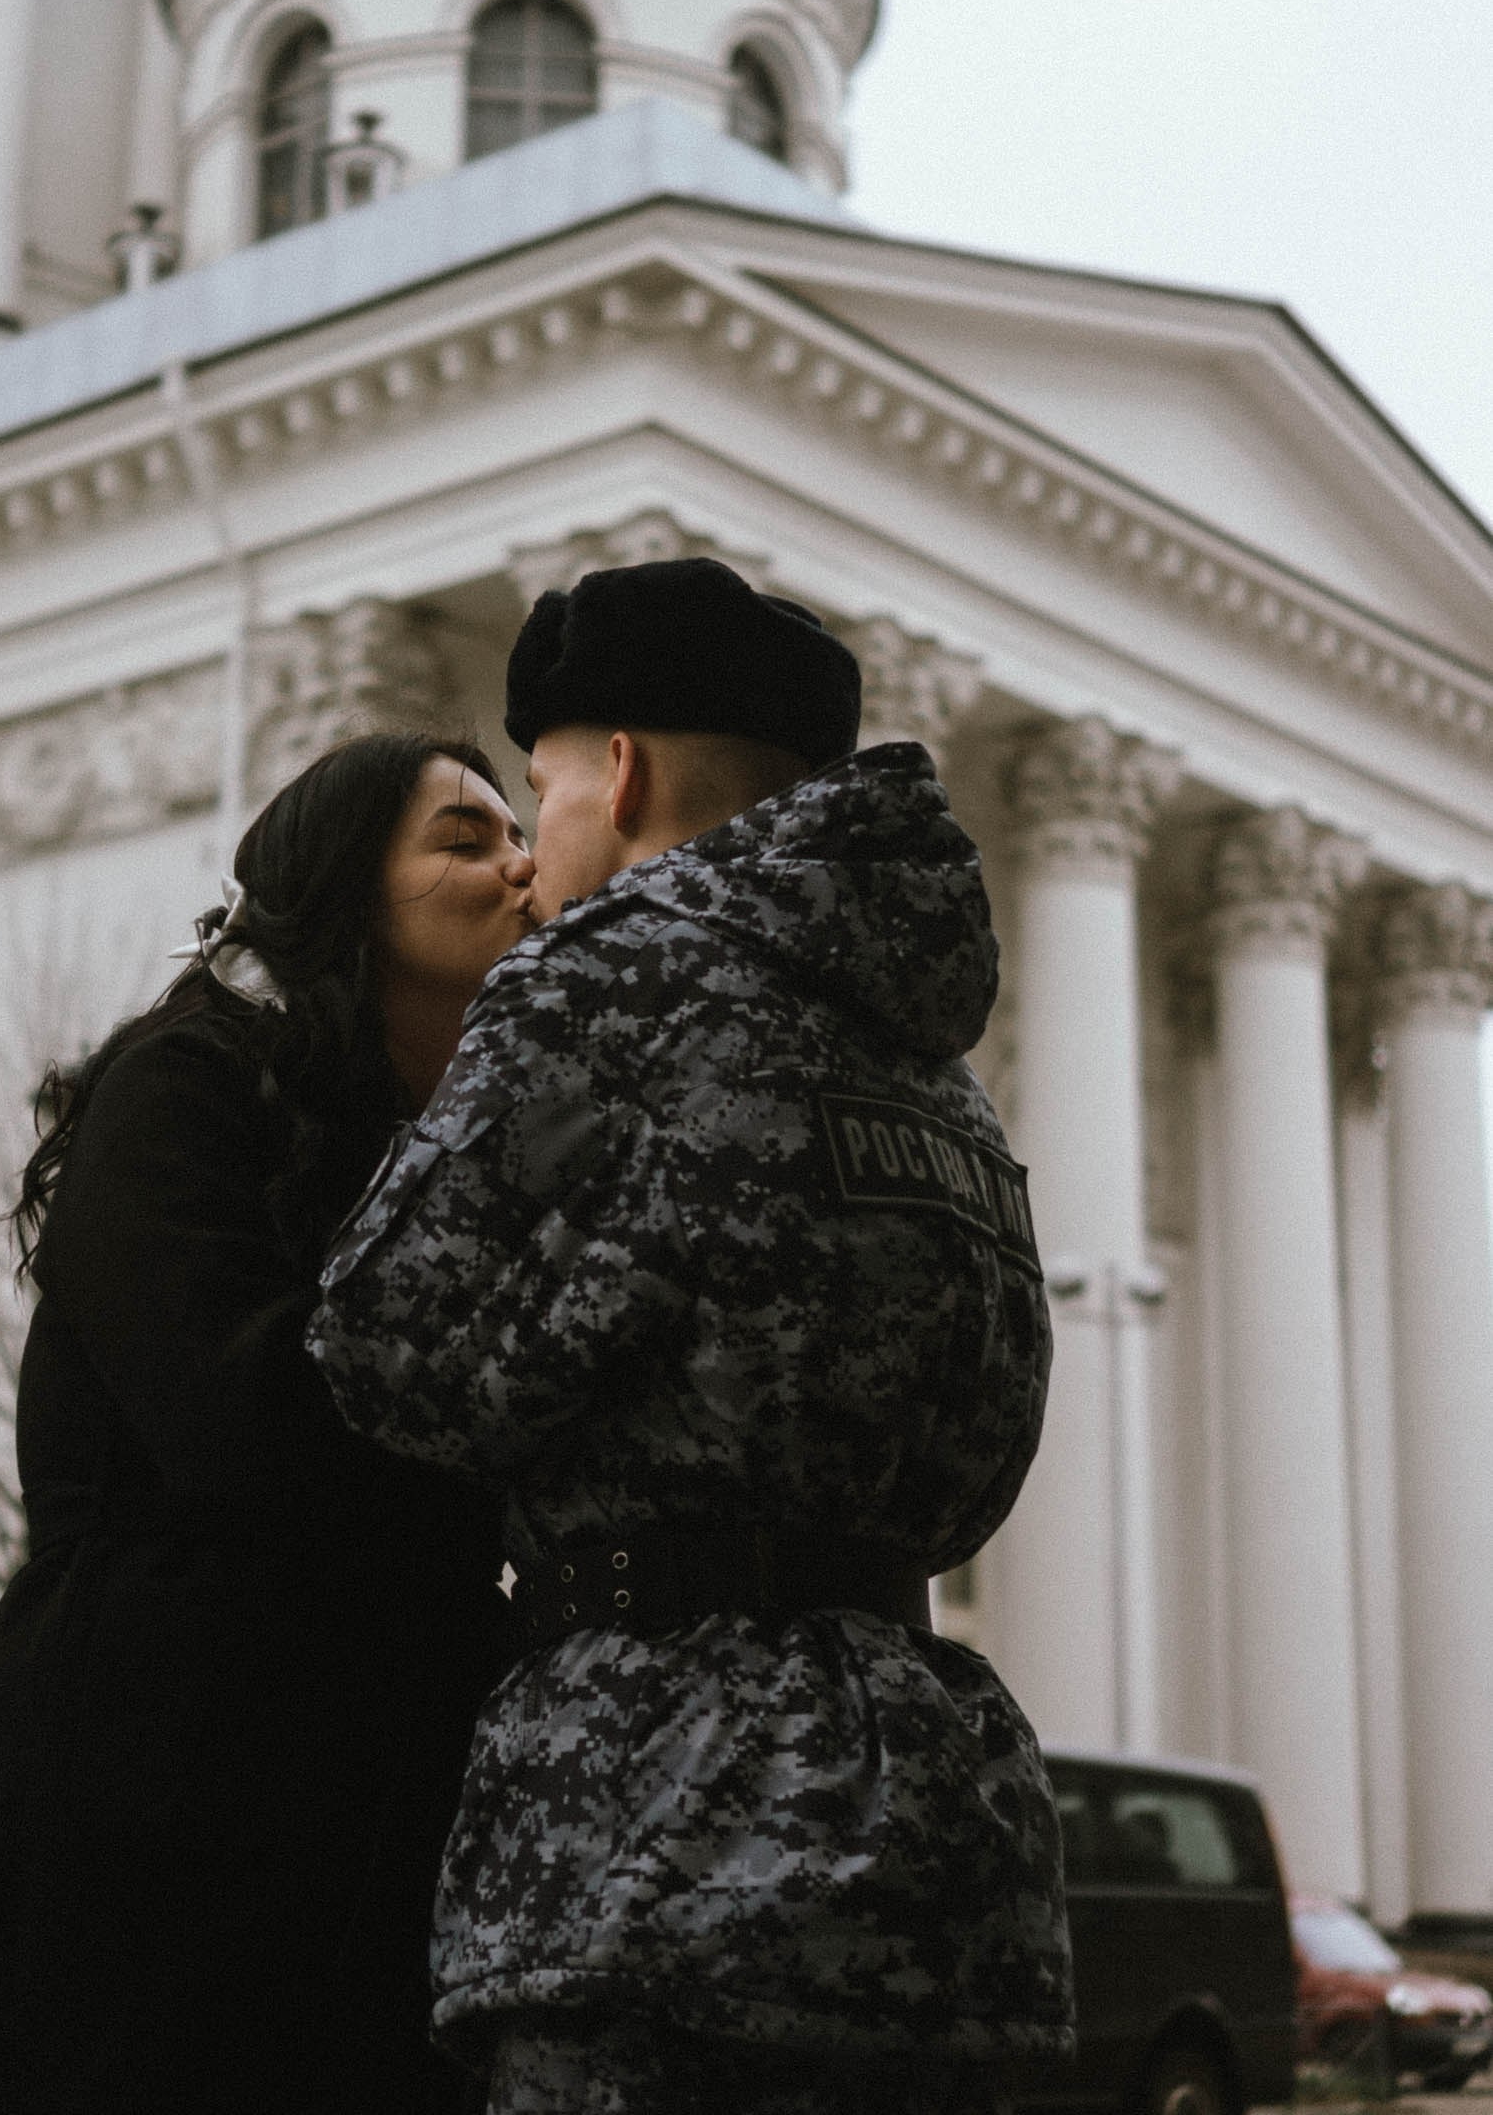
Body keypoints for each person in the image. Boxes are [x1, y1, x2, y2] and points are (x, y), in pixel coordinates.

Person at [311, 560, 1073, 2115]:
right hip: (941, 1848)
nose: (533, 858)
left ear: (624, 773)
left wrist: (552, 1344)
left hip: (659, 1828)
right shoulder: (942, 1079)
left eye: (543, 790)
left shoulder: (614, 976)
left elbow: (380, 1336)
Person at [0, 733, 535, 2115]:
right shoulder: (187, 1084)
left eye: (516, 832)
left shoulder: (438, 1135)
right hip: (154, 1773)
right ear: (344, 887)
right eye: (464, 837)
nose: (520, 863)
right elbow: (241, 1411)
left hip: (368, 1782)